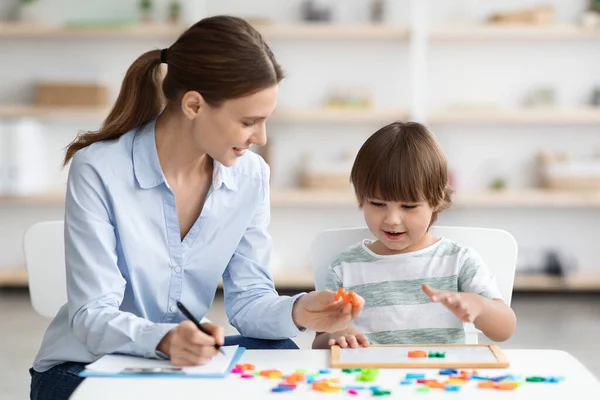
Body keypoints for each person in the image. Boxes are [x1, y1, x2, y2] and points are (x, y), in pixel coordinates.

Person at [30, 15, 364, 400]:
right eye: (248, 121)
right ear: (193, 105)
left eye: (265, 121)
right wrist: (166, 339)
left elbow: (250, 299)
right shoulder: (99, 169)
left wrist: (300, 311)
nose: (260, 137)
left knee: (280, 350)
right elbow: (92, 316)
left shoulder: (250, 177)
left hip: (181, 363)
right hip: (83, 365)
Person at [312, 122, 516, 349]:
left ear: (436, 200)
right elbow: (319, 341)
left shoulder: (459, 261)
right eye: (377, 203)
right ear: (361, 198)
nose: (392, 219)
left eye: (408, 206)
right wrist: (336, 336)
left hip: (441, 381)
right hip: (369, 380)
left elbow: (505, 329)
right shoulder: (344, 268)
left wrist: (480, 306)